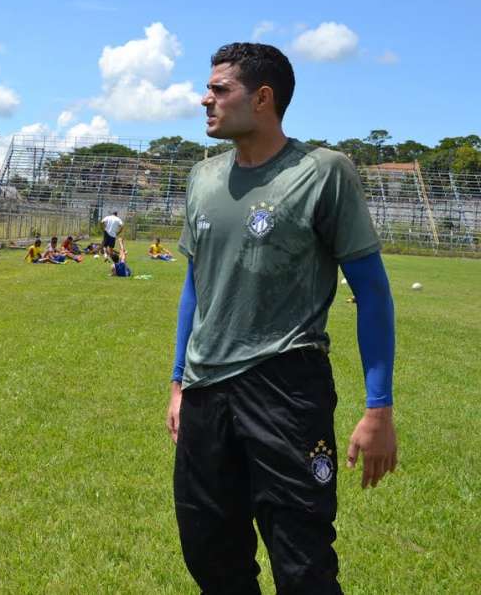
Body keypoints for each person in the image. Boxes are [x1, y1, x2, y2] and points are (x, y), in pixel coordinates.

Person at [165, 43, 397, 594]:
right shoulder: (203, 178)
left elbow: (373, 294)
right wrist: (178, 382)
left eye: (220, 89)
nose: (206, 99)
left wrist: (379, 407)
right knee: (209, 553)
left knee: (303, 562)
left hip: (285, 387)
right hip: (204, 394)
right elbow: (194, 286)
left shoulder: (323, 172)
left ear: (263, 98)